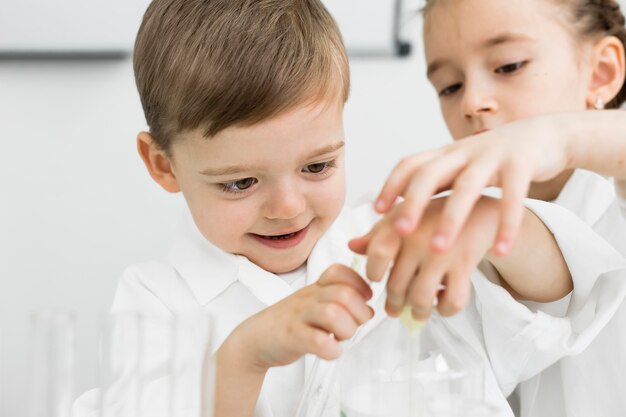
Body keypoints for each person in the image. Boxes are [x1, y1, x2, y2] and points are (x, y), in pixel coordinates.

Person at [71, 0, 624, 416]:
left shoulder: (387, 242)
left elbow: (561, 295)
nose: (288, 207)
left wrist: (485, 221)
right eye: (240, 183)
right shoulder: (154, 301)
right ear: (163, 165)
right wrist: (245, 356)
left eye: (317, 168)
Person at [355, 0, 626, 415]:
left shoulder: (612, 200)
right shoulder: (450, 232)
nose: (472, 102)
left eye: (508, 66)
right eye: (449, 86)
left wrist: (560, 137)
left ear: (602, 72)